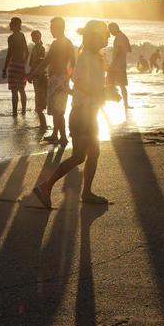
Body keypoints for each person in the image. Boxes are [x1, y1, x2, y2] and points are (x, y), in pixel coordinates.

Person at [33, 20, 109, 208]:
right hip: (82, 113)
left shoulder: (96, 57)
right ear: (93, 37)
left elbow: (91, 84)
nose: (106, 37)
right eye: (103, 34)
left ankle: (86, 192)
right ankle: (46, 186)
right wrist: (103, 93)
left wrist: (104, 92)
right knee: (79, 156)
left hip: (89, 112)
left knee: (92, 153)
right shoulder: (86, 58)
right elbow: (80, 82)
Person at [29, 16, 76, 145]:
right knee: (57, 111)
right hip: (61, 79)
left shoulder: (58, 43)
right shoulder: (68, 42)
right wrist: (69, 77)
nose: (50, 30)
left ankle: (63, 137)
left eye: (52, 27)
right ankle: (56, 134)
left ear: (59, 28)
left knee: (58, 111)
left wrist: (33, 73)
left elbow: (46, 60)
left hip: (58, 79)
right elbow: (73, 62)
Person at [2, 16, 28, 117]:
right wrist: (24, 63)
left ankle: (15, 112)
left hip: (13, 66)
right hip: (19, 65)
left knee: (14, 91)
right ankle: (23, 111)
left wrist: (5, 69)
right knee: (21, 89)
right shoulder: (21, 36)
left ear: (17, 25)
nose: (10, 24)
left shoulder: (11, 38)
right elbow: (27, 52)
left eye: (12, 23)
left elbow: (9, 54)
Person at [107, 21, 132, 107]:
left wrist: (112, 63)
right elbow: (129, 49)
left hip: (117, 65)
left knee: (110, 83)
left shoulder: (119, 37)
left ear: (115, 28)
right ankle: (125, 104)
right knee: (121, 85)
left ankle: (106, 103)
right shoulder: (124, 36)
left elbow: (118, 51)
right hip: (122, 64)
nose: (110, 32)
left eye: (110, 30)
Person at [28, 30, 48, 131]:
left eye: (34, 36)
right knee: (38, 96)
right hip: (37, 74)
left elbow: (38, 62)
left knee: (39, 97)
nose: (32, 38)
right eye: (32, 36)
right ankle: (42, 123)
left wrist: (32, 73)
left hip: (38, 75)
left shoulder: (40, 48)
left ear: (38, 37)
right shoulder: (36, 47)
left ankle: (43, 124)